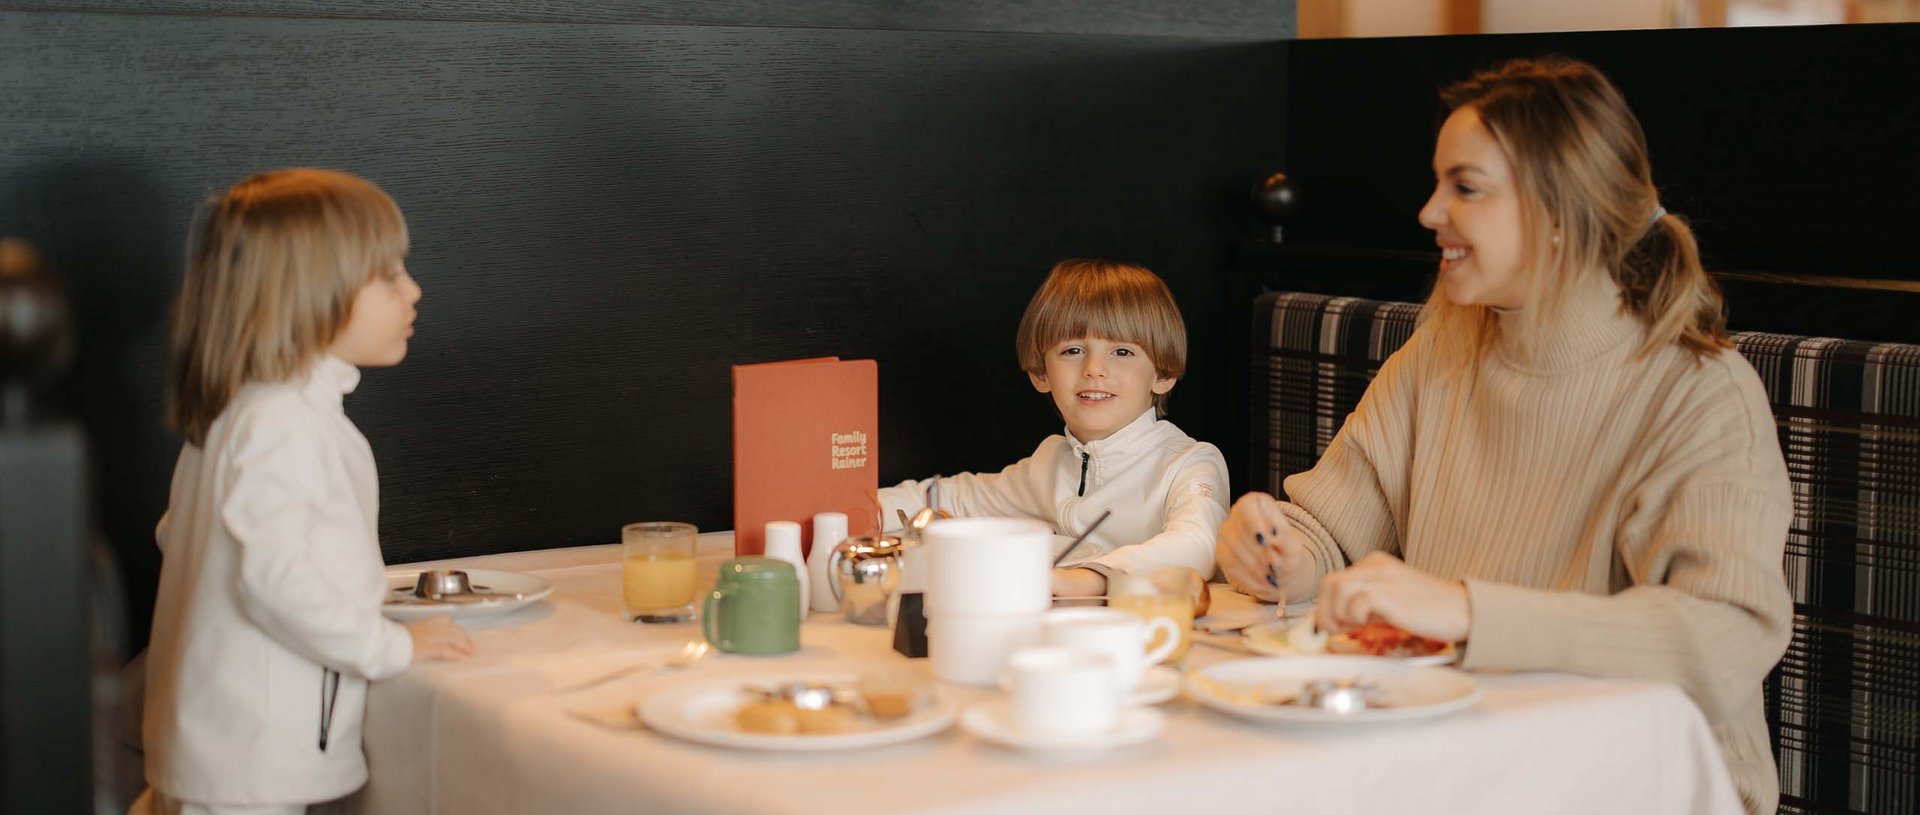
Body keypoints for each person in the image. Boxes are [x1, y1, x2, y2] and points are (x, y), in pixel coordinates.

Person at [1214, 58, 1790, 814]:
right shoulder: (1441, 351)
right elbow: (1327, 530)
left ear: (1560, 212)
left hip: (1642, 783)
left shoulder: (1699, 394)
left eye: (1466, 187)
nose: (1428, 211)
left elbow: (1725, 635)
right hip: (1455, 756)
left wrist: (1466, 612)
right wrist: (1275, 552)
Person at [136, 168, 474, 815]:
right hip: (248, 763)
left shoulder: (242, 413)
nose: (414, 290)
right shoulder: (282, 421)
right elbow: (275, 578)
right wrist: (392, 646)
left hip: (221, 752)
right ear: (308, 293)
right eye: (388, 275)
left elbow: (178, 534)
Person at [881, 259, 1229, 597]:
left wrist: (1085, 579)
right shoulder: (1049, 463)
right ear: (1041, 373)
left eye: (1122, 351)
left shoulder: (1191, 463)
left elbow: (1197, 545)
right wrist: (844, 512)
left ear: (1163, 374)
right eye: (1073, 350)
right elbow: (945, 498)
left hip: (1154, 642)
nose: (1094, 368)